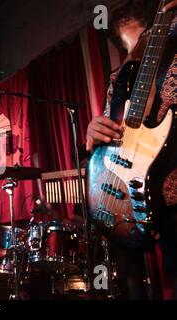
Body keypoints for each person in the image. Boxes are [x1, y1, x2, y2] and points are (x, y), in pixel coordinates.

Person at [86, 0, 177, 299]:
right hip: (129, 199)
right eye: (127, 49)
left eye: (140, 43)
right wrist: (94, 132)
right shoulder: (120, 77)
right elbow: (111, 135)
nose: (134, 55)